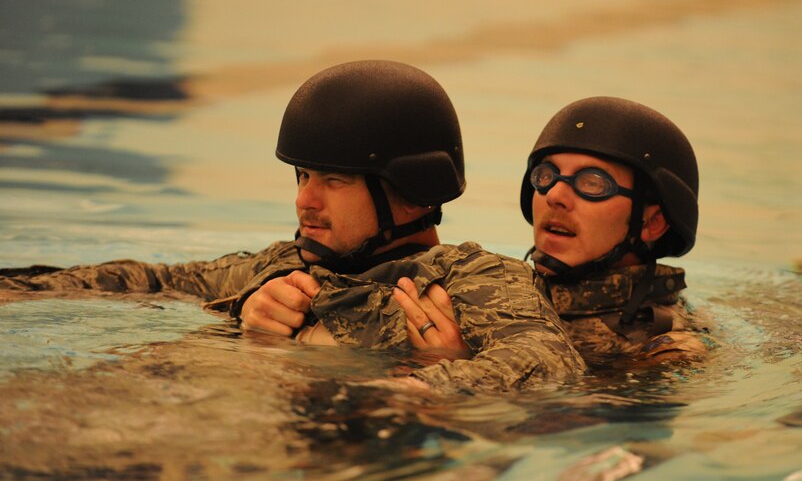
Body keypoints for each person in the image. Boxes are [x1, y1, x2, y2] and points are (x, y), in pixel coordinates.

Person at [0, 60, 584, 391]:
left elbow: (548, 358)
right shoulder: (276, 267)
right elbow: (148, 280)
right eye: (302, 176)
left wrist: (420, 384)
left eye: (333, 181)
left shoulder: (465, 280)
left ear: (407, 193)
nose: (306, 202)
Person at [394, 96, 708, 366]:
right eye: (546, 175)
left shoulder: (663, 350)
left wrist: (461, 368)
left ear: (652, 223)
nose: (554, 195)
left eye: (592, 183)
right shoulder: (493, 293)